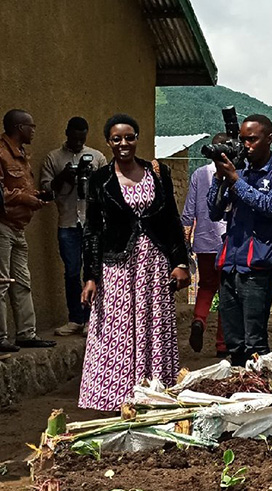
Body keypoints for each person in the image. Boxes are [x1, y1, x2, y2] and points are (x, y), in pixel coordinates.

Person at [79, 114, 190, 411]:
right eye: (117, 139)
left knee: (152, 326)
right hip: (116, 267)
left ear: (137, 138)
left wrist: (180, 261)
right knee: (116, 330)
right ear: (108, 143)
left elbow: (171, 222)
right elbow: (92, 230)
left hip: (153, 266)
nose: (123, 143)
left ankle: (153, 393)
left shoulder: (157, 173)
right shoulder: (100, 179)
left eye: (129, 137)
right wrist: (89, 276)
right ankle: (115, 397)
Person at [207, 114, 272, 367]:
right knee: (233, 342)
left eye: (252, 139)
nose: (246, 145)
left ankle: (260, 394)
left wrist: (236, 181)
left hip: (258, 267)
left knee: (255, 342)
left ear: (269, 138)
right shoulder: (238, 171)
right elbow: (214, 212)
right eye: (243, 140)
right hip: (229, 264)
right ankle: (238, 390)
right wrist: (220, 177)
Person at [39, 116, 108, 336]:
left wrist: (92, 179)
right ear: (67, 133)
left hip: (93, 224)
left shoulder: (96, 157)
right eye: (75, 138)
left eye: (82, 139)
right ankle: (75, 319)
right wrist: (64, 176)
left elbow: (109, 189)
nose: (78, 143)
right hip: (68, 222)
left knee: (94, 272)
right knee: (71, 272)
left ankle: (92, 319)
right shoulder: (54, 158)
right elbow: (46, 192)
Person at [0, 109, 56, 352]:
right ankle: (1, 337)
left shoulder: (21, 154)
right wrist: (25, 199)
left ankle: (26, 333)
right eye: (31, 126)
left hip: (19, 227)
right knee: (1, 282)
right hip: (3, 225)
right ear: (19, 128)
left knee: (22, 282)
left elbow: (19, 187)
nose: (34, 130)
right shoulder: (1, 153)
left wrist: (36, 197)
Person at [181, 133, 228, 357]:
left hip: (204, 242)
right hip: (228, 243)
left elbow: (188, 212)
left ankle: (199, 319)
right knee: (227, 292)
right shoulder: (236, 174)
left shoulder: (199, 174)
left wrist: (186, 243)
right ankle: (222, 344)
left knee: (207, 286)